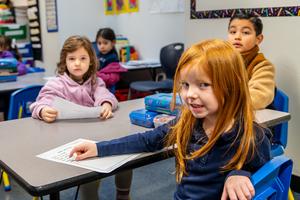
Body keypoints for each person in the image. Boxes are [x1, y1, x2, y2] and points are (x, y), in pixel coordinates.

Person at [69, 39, 272, 200]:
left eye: (203, 85)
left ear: (231, 87)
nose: (190, 94)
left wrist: (242, 173)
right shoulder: (187, 123)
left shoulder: (250, 135)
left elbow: (265, 170)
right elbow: (146, 140)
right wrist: (98, 148)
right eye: (185, 85)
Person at [29, 35, 120, 200]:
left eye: (83, 58)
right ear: (65, 61)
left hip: (93, 137)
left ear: (91, 61)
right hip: (66, 141)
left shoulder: (94, 81)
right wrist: (42, 110)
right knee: (87, 175)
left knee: (123, 155)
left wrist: (106, 103)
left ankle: (123, 194)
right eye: (72, 58)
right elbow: (39, 103)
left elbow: (104, 95)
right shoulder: (56, 84)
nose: (77, 63)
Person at [227, 12, 275, 110]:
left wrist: (221, 102)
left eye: (245, 32)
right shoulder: (220, 61)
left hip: (250, 119)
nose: (237, 37)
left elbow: (258, 97)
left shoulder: (263, 66)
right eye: (233, 32)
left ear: (258, 39)